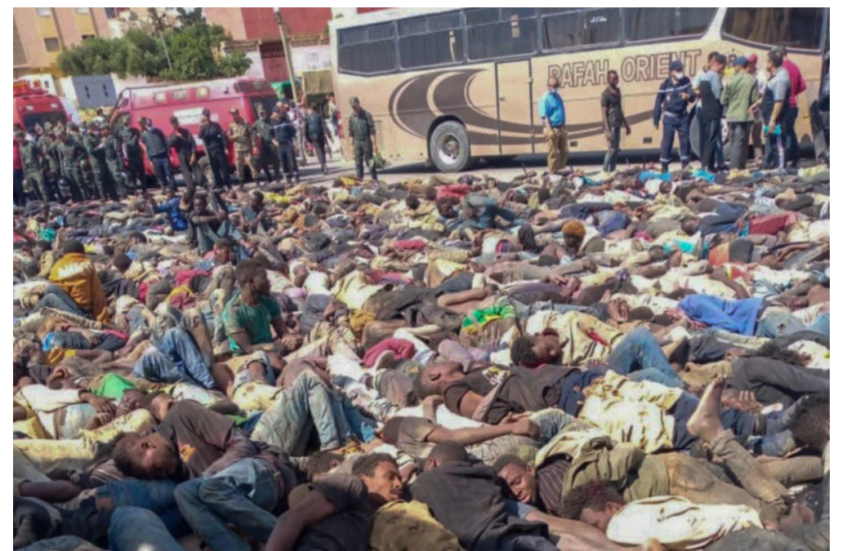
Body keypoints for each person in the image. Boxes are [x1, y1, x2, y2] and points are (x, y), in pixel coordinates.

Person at [265, 453, 403, 551]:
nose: (398, 484)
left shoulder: (379, 514)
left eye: (399, 479)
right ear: (364, 479)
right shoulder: (351, 485)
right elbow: (292, 518)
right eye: (390, 477)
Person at [653, 60, 694, 173]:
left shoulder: (686, 81)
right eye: (678, 70)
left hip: (682, 117)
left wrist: (689, 96)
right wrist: (655, 118)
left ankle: (685, 165)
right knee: (667, 141)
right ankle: (665, 167)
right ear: (672, 72)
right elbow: (658, 102)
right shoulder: (665, 85)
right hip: (669, 118)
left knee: (685, 140)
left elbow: (693, 95)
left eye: (681, 69)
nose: (681, 72)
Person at [721, 56, 760, 170]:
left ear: (738, 66)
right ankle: (735, 168)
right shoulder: (752, 80)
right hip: (744, 116)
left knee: (734, 143)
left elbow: (723, 100)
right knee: (742, 143)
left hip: (731, 116)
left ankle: (740, 167)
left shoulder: (730, 80)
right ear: (746, 66)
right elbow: (754, 99)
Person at [773, 46, 806, 169]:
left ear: (779, 54)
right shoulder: (794, 66)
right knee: (790, 131)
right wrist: (794, 93)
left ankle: (787, 159)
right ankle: (795, 158)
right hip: (793, 104)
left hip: (784, 104)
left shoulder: (782, 69)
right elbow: (803, 86)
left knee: (785, 133)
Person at [760, 51, 791, 170]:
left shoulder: (780, 79)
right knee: (771, 139)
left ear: (771, 63)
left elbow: (779, 101)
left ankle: (780, 166)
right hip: (769, 116)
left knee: (778, 140)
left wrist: (773, 120)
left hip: (776, 117)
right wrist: (758, 103)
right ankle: (773, 163)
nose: (764, 64)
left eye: (766, 61)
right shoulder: (775, 76)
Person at [698, 53, 727, 173]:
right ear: (719, 65)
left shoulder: (705, 76)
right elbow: (718, 95)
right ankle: (705, 166)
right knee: (712, 138)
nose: (724, 69)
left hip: (705, 111)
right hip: (714, 112)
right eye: (723, 66)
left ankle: (709, 165)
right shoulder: (715, 76)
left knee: (707, 138)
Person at [600, 70, 630, 174]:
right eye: (613, 79)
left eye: (617, 78)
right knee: (611, 150)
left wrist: (626, 125)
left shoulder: (618, 91)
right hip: (611, 126)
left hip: (617, 125)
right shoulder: (605, 94)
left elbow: (620, 109)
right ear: (608, 80)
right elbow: (604, 113)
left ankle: (612, 172)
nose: (616, 80)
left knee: (616, 151)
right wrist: (607, 130)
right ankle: (604, 171)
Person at [83, 121, 119, 201]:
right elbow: (90, 151)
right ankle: (104, 198)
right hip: (97, 163)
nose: (97, 129)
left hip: (104, 160)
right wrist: (99, 147)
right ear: (90, 128)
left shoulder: (97, 136)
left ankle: (114, 197)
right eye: (95, 127)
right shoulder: (87, 138)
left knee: (109, 179)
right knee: (100, 181)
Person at [139, 117, 177, 192]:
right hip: (154, 157)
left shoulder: (158, 131)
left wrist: (169, 153)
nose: (148, 125)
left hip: (163, 155)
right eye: (147, 124)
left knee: (169, 172)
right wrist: (150, 159)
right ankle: (164, 187)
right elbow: (146, 148)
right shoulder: (144, 135)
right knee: (160, 174)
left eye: (149, 123)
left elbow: (165, 141)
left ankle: (173, 187)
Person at [540, 76, 568, 174]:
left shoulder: (558, 96)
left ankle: (560, 170)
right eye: (553, 86)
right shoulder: (545, 98)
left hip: (560, 127)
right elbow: (544, 116)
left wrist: (564, 127)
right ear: (548, 86)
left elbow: (561, 112)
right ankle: (552, 172)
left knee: (564, 151)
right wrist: (549, 130)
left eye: (557, 85)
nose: (555, 88)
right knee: (553, 153)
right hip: (552, 128)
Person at [348, 97, 379, 181]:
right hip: (357, 141)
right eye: (352, 106)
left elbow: (372, 130)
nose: (354, 107)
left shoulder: (366, 115)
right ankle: (360, 180)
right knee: (358, 162)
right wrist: (351, 146)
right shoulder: (351, 118)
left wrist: (374, 144)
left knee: (370, 161)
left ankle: (374, 180)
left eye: (355, 105)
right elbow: (350, 133)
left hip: (366, 140)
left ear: (359, 104)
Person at [199, 112, 232, 190]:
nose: (206, 117)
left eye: (207, 116)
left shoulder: (215, 125)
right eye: (205, 116)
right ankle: (219, 184)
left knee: (224, 168)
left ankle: (228, 184)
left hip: (219, 149)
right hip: (210, 151)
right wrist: (202, 126)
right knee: (215, 169)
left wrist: (225, 148)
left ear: (209, 116)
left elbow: (222, 137)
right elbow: (200, 136)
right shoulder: (203, 127)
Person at [229, 108, 260, 188]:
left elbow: (252, 134)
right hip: (238, 149)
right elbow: (229, 136)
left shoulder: (245, 123)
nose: (233, 116)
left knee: (251, 163)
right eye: (232, 114)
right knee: (239, 165)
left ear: (237, 113)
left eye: (234, 114)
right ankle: (241, 182)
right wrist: (233, 137)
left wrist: (254, 145)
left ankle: (256, 181)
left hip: (247, 147)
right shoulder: (232, 125)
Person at [168, 115, 201, 189]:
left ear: (178, 122)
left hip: (189, 153)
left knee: (198, 173)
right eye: (173, 123)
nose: (175, 125)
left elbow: (192, 143)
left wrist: (193, 154)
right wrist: (176, 137)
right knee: (187, 175)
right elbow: (169, 144)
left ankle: (203, 184)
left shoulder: (185, 132)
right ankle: (191, 188)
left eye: (176, 123)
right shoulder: (172, 135)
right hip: (181, 156)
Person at [252, 106, 282, 184]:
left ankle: (277, 177)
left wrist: (276, 139)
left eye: (263, 113)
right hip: (263, 145)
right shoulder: (257, 123)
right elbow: (252, 131)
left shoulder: (270, 121)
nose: (262, 115)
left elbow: (275, 130)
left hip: (271, 143)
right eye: (260, 113)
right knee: (262, 162)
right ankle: (268, 177)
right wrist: (256, 137)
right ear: (258, 114)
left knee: (275, 161)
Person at [272, 110, 300, 184]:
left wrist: (293, 140)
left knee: (292, 161)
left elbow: (293, 131)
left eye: (278, 112)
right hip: (280, 145)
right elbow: (270, 135)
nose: (277, 114)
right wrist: (274, 142)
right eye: (276, 112)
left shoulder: (286, 121)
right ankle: (288, 179)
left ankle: (296, 177)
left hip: (288, 144)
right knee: (283, 162)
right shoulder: (273, 123)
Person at [120, 118, 147, 195]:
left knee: (142, 173)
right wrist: (125, 155)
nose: (126, 125)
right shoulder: (121, 133)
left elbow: (139, 141)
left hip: (137, 154)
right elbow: (122, 144)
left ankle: (144, 189)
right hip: (130, 156)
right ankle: (135, 190)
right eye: (125, 124)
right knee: (133, 174)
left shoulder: (135, 130)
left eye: (127, 123)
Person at [306, 102, 333, 175]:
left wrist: (308, 139)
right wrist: (329, 136)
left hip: (313, 137)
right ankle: (324, 164)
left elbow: (305, 129)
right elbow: (324, 126)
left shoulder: (308, 118)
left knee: (318, 151)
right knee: (322, 150)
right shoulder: (319, 116)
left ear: (311, 109)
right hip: (321, 136)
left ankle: (322, 164)